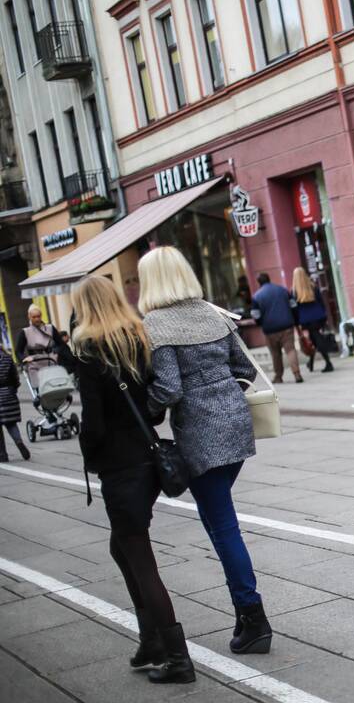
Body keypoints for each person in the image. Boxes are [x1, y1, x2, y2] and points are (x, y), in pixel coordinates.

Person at [138, 246, 273, 655]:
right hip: (235, 424)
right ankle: (244, 613)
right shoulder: (212, 313)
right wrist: (220, 390)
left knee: (222, 525)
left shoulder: (156, 325)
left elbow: (169, 388)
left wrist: (144, 411)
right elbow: (245, 369)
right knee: (217, 519)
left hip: (198, 431)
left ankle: (254, 616)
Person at [72, 276, 195, 684]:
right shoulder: (137, 336)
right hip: (148, 461)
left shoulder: (90, 351)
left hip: (121, 469)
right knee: (121, 548)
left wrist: (89, 452)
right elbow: (153, 408)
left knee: (141, 561)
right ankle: (151, 641)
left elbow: (94, 424)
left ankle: (177, 658)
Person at [251, 272, 303, 384]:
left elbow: (255, 314)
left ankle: (278, 376)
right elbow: (294, 305)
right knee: (290, 350)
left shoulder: (256, 296)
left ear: (258, 282)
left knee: (275, 353)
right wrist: (295, 320)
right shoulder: (283, 290)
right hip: (287, 326)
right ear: (269, 279)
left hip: (270, 329)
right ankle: (297, 374)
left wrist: (261, 324)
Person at [16, 304, 75, 386]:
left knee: (57, 386)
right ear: (29, 316)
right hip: (35, 363)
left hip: (51, 360)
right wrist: (24, 359)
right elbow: (18, 351)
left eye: (38, 316)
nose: (37, 319)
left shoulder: (50, 328)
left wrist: (56, 353)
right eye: (34, 317)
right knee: (40, 388)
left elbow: (61, 344)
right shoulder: (25, 332)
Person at [291, 267, 334, 374]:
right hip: (318, 316)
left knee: (316, 340)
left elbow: (295, 309)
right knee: (314, 340)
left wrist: (297, 323)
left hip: (306, 319)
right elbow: (321, 302)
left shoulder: (294, 291)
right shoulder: (312, 286)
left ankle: (328, 363)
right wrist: (324, 315)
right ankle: (311, 363)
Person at [0, 346, 31, 461]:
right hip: (9, 394)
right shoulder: (7, 358)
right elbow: (15, 378)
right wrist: (13, 389)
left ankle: (2, 454)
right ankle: (19, 442)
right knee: (11, 424)